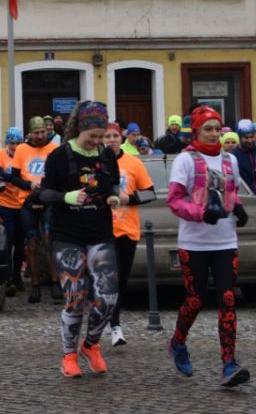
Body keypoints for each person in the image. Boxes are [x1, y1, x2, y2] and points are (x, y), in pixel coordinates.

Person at [166, 105, 250, 387]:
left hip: (225, 241)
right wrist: (201, 214)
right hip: (194, 242)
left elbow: (231, 192)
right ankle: (178, 342)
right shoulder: (185, 160)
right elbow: (174, 201)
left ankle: (229, 364)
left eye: (217, 129)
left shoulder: (230, 159)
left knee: (227, 299)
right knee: (196, 300)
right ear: (196, 131)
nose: (214, 134)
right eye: (208, 129)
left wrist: (238, 208)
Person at [38, 101, 120, 378]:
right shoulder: (59, 155)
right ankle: (69, 355)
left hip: (99, 233)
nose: (97, 142)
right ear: (78, 129)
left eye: (101, 136)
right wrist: (66, 197)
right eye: (92, 136)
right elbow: (43, 193)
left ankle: (91, 345)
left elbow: (113, 186)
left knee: (108, 296)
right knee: (75, 297)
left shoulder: (106, 155)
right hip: (67, 235)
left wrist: (114, 197)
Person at [102, 122, 155, 347]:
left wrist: (129, 199)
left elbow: (150, 193)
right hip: (103, 230)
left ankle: (110, 317)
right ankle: (114, 324)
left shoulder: (134, 163)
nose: (111, 140)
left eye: (115, 136)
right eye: (107, 136)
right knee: (110, 278)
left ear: (121, 138)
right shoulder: (96, 163)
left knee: (122, 279)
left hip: (128, 229)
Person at [11, 116, 61, 303]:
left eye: (43, 132)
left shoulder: (54, 149)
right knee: (31, 243)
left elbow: (59, 176)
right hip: (27, 202)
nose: (40, 136)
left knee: (49, 241)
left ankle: (55, 282)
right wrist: (29, 185)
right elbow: (14, 177)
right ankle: (35, 285)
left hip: (48, 201)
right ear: (30, 133)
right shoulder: (21, 149)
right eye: (36, 133)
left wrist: (46, 187)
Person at [0, 127, 27, 295]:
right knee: (8, 240)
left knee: (20, 243)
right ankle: (6, 278)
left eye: (18, 143)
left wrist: (14, 179)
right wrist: (14, 178)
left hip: (21, 203)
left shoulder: (24, 155)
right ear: (7, 143)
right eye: (12, 143)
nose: (15, 146)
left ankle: (17, 277)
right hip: (4, 202)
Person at [233, 119, 256, 196]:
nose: (250, 140)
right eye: (246, 138)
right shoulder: (233, 155)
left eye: (252, 137)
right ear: (239, 137)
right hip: (245, 197)